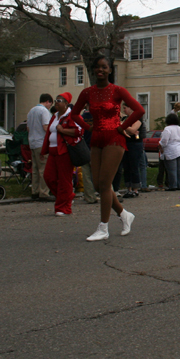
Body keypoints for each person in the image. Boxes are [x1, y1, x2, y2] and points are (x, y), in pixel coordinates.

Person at [70, 56, 144, 241]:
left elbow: (139, 110)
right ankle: (124, 214)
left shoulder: (118, 90)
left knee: (104, 183)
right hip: (96, 139)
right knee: (97, 184)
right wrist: (88, 127)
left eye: (104, 67)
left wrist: (122, 126)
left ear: (110, 70)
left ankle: (103, 228)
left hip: (114, 138)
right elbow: (74, 114)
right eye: (97, 67)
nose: (100, 70)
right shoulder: (88, 92)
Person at [41, 93, 84, 216]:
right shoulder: (54, 116)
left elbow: (80, 130)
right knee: (49, 177)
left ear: (66, 103)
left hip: (64, 151)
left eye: (59, 100)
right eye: (56, 100)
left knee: (64, 180)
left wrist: (63, 130)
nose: (56, 103)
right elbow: (49, 134)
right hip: (53, 151)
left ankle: (62, 207)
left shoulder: (72, 116)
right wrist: (44, 150)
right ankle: (66, 196)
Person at [27, 94, 54, 201]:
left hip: (32, 142)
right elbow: (45, 126)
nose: (50, 106)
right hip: (41, 143)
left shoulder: (31, 111)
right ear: (47, 101)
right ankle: (43, 192)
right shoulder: (44, 111)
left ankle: (35, 191)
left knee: (35, 169)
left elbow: (28, 128)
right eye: (50, 104)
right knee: (43, 168)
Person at [120, 104, 144, 198]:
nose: (124, 110)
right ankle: (128, 188)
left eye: (125, 108)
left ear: (131, 108)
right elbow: (126, 130)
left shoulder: (137, 118)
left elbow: (133, 130)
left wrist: (123, 125)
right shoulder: (125, 119)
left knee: (134, 166)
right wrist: (126, 128)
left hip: (135, 144)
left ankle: (135, 189)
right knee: (126, 166)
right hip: (126, 143)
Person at [159, 112, 180, 191]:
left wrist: (160, 145)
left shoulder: (167, 129)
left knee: (171, 170)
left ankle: (172, 185)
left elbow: (164, 140)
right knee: (179, 169)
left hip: (171, 150)